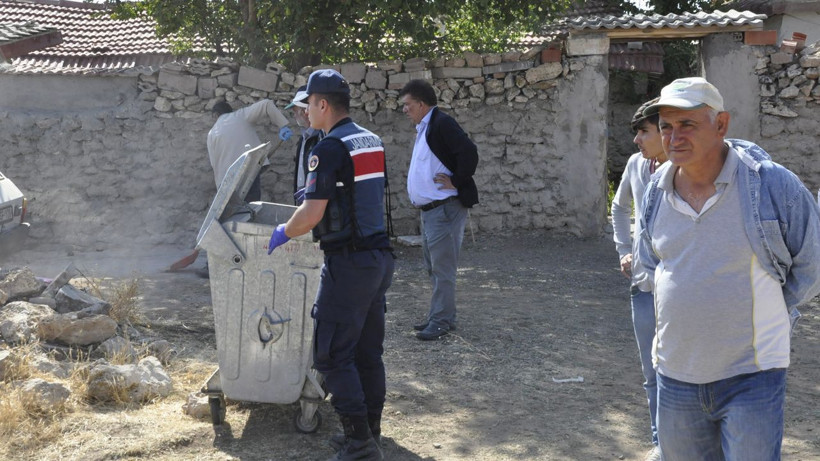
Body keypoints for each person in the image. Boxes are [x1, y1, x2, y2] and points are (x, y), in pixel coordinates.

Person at [636, 77, 820, 460]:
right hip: (675, 374)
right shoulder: (656, 189)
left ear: (721, 124)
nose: (674, 137)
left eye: (688, 124)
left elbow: (811, 265)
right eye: (667, 127)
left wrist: (769, 308)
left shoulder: (772, 185)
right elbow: (651, 264)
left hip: (752, 376)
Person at [267, 69, 393, 461]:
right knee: (367, 353)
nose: (304, 114)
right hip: (379, 259)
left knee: (332, 355)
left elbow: (312, 212)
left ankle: (359, 445)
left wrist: (283, 232)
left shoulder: (331, 147)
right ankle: (369, 432)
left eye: (307, 105)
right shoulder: (368, 138)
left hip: (350, 263)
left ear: (323, 104)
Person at [398, 79, 478, 341]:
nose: (405, 109)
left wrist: (457, 180)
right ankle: (443, 316)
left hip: (444, 209)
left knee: (442, 269)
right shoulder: (427, 126)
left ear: (422, 104)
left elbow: (469, 151)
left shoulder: (441, 123)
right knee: (434, 267)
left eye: (408, 105)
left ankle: (440, 321)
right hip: (432, 211)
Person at [610, 97, 666, 461]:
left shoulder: (686, 168)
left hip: (676, 289)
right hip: (642, 287)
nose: (636, 140)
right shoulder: (635, 165)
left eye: (643, 132)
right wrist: (623, 250)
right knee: (651, 372)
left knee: (680, 372)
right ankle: (662, 443)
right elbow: (618, 207)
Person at [207, 99, 293, 202]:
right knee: (251, 208)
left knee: (232, 215)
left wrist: (220, 191)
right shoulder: (240, 116)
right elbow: (266, 104)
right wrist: (283, 126)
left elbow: (214, 164)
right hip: (248, 171)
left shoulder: (211, 134)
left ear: (215, 115)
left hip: (226, 182)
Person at [285, 85, 324, 204]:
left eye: (295, 111)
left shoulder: (321, 137)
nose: (295, 116)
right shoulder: (304, 138)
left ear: (304, 111)